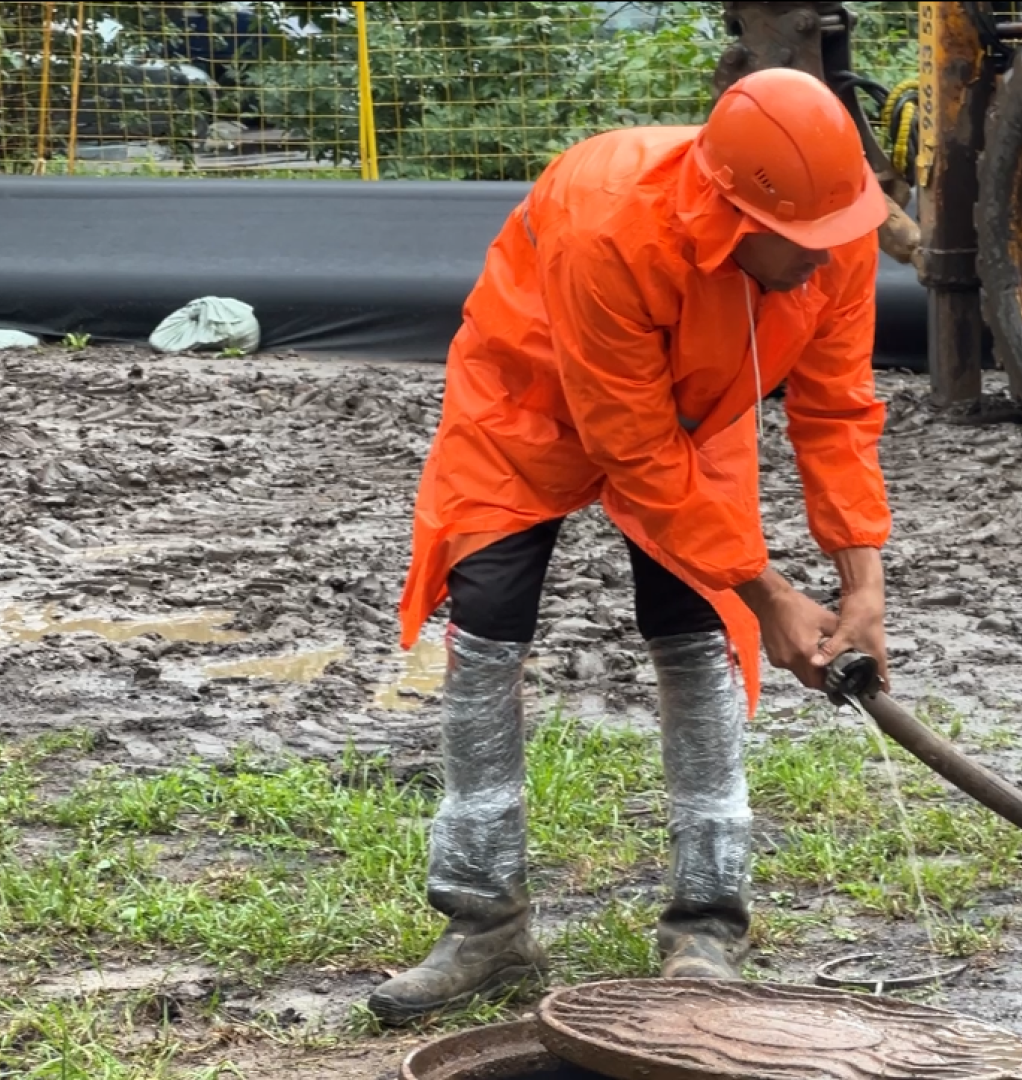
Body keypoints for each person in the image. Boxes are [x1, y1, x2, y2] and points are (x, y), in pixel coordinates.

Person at [374, 67, 896, 1025]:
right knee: (488, 610)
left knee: (694, 620)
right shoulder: (608, 225)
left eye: (839, 235)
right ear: (738, 218)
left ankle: (706, 924)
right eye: (804, 246)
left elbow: (837, 409)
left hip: (698, 412)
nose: (826, 260)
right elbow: (632, 448)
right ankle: (483, 923)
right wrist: (771, 593)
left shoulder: (835, 230)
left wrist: (861, 578)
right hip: (528, 396)